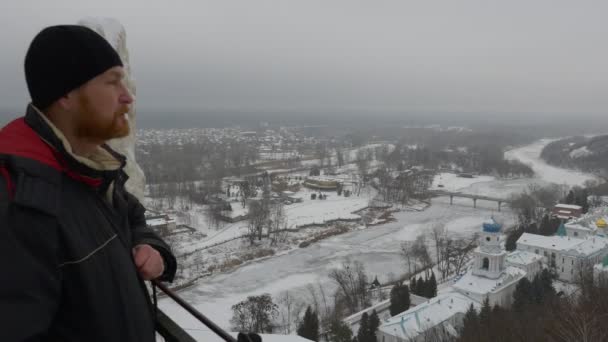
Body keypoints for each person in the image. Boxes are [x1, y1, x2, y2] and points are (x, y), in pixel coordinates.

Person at [0, 25, 177, 342]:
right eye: (112, 82)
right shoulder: (18, 198)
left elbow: (131, 217)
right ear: (66, 94)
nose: (127, 95)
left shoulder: (91, 167)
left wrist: (153, 248)